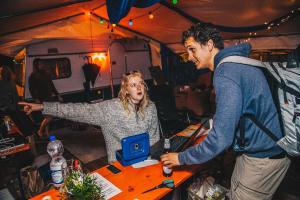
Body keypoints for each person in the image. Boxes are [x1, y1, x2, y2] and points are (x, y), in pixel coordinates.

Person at [160, 23, 290, 200]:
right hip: (263, 151)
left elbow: (221, 138)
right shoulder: (238, 63)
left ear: (209, 45)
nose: (189, 57)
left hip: (262, 159)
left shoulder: (226, 72)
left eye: (192, 49)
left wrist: (181, 158)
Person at [20, 70, 160, 163]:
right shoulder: (110, 109)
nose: (139, 87)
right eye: (133, 85)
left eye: (141, 83)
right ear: (126, 90)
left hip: (146, 161)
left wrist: (153, 160)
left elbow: (154, 138)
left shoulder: (151, 107)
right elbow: (78, 110)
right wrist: (44, 106)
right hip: (120, 165)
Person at [28, 59, 62, 137]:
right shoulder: (33, 76)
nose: (42, 65)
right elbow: (32, 89)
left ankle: (47, 133)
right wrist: (36, 98)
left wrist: (58, 95)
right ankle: (40, 131)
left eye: (42, 64)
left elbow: (52, 85)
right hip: (41, 99)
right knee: (50, 116)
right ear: (36, 65)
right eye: (40, 64)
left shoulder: (46, 73)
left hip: (49, 97)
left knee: (47, 116)